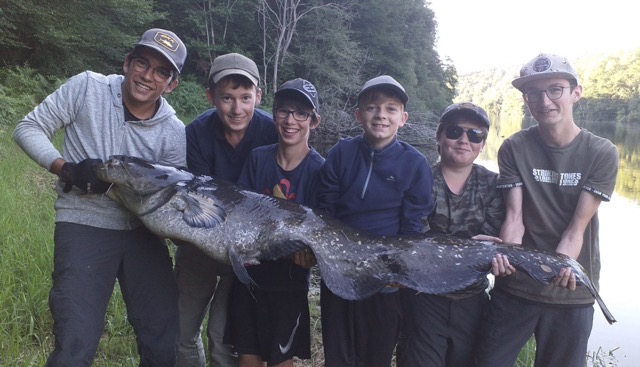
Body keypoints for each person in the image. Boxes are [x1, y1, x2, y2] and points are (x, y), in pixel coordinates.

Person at [12, 28, 187, 366]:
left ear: (172, 84)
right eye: (142, 63)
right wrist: (66, 169)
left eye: (161, 71)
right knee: (75, 339)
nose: (148, 76)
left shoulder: (174, 132)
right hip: (83, 222)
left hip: (143, 232)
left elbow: (172, 198)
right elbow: (27, 128)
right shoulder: (87, 88)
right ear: (127, 63)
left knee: (162, 338)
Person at [475, 53, 619, 367]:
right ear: (526, 99)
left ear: (575, 93)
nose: (545, 100)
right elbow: (514, 217)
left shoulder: (602, 152)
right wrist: (506, 256)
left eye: (555, 89)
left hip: (571, 290)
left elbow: (575, 228)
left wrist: (562, 267)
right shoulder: (514, 147)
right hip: (515, 287)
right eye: (534, 93)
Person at [316, 75, 434, 367]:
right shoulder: (340, 153)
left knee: (375, 357)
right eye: (372, 107)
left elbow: (412, 224)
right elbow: (325, 210)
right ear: (359, 115)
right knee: (338, 355)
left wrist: (400, 269)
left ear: (403, 118)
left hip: (386, 281)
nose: (381, 115)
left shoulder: (416, 164)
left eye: (391, 109)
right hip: (340, 271)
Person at [174, 52, 278, 367]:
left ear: (258, 96)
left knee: (224, 338)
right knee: (181, 332)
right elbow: (199, 195)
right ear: (211, 97)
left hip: (246, 248)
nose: (237, 108)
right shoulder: (196, 133)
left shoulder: (272, 131)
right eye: (227, 98)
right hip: (200, 240)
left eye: (245, 98)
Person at [397, 102, 514, 367]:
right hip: (422, 296)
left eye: (474, 135)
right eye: (454, 132)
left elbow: (492, 241)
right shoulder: (419, 177)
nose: (464, 140)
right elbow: (414, 236)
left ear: (482, 143)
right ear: (439, 136)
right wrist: (465, 247)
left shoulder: (494, 184)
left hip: (471, 299)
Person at [224, 78, 323, 367]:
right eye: (284, 111)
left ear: (314, 121)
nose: (291, 120)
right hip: (250, 277)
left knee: (281, 359)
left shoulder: (321, 170)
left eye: (301, 113)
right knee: (247, 355)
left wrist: (311, 258)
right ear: (274, 114)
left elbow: (321, 229)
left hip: (289, 285)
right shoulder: (257, 159)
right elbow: (240, 212)